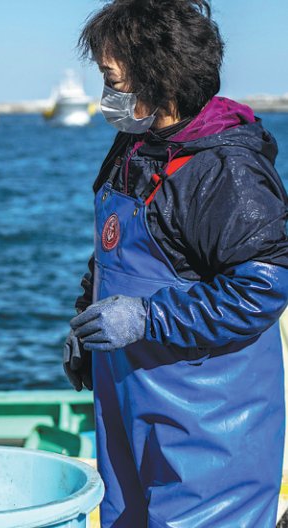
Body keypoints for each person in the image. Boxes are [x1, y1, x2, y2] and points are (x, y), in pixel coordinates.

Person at [64, 0, 288, 525]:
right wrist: (85, 321)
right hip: (130, 400)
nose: (107, 92)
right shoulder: (134, 147)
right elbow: (113, 248)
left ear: (156, 76)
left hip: (207, 421)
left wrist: (148, 317)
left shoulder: (225, 169)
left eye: (111, 78)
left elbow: (264, 286)